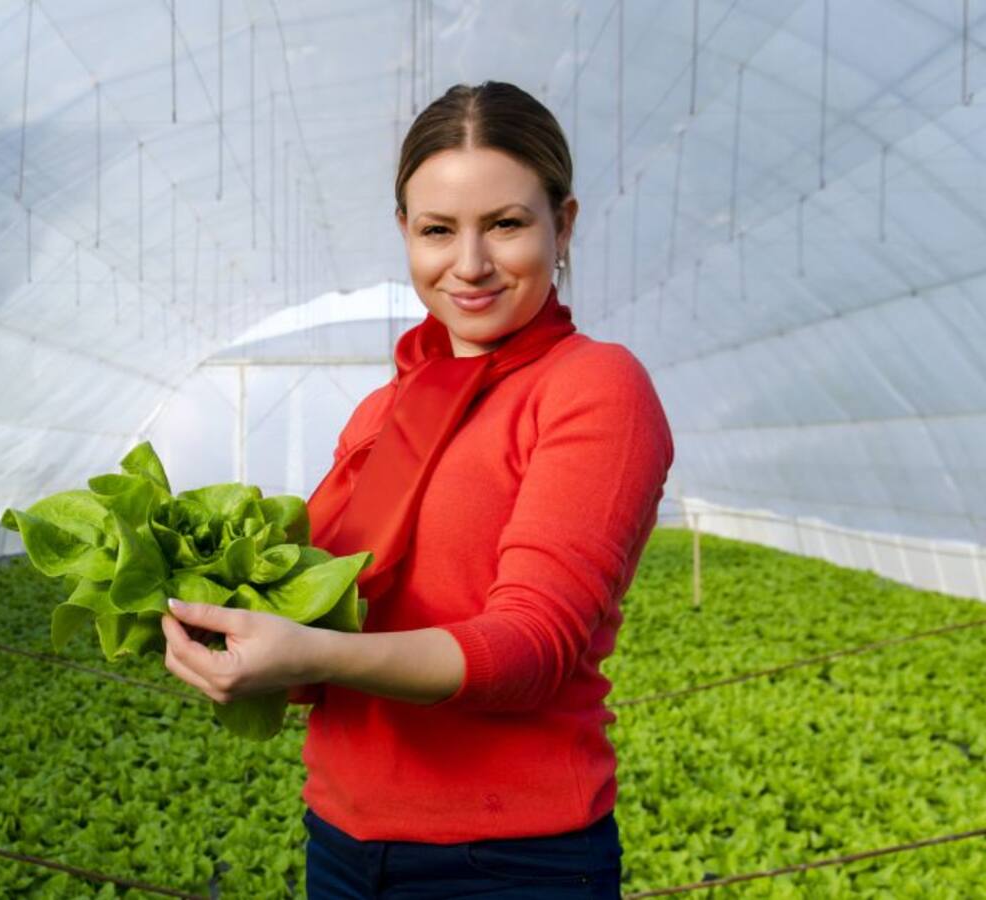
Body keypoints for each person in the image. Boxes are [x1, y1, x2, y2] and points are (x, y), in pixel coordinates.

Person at [161, 80, 674, 899]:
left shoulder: (594, 386)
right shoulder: (384, 409)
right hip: (341, 841)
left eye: (505, 224)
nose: (469, 264)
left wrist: (312, 654)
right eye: (439, 230)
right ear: (405, 231)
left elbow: (531, 647)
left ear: (564, 224)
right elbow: (331, 616)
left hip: (510, 862)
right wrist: (219, 629)